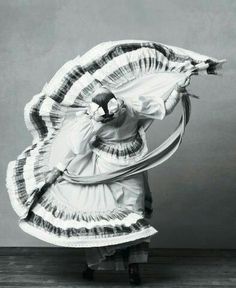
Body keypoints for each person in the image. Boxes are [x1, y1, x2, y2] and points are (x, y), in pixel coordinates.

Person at [27, 76, 189, 285]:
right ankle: (93, 264)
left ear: (119, 105)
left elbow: (164, 108)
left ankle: (133, 267)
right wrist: (58, 169)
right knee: (104, 215)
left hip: (132, 167)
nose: (112, 118)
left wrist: (177, 88)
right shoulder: (91, 122)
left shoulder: (132, 106)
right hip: (104, 171)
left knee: (135, 215)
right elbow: (75, 149)